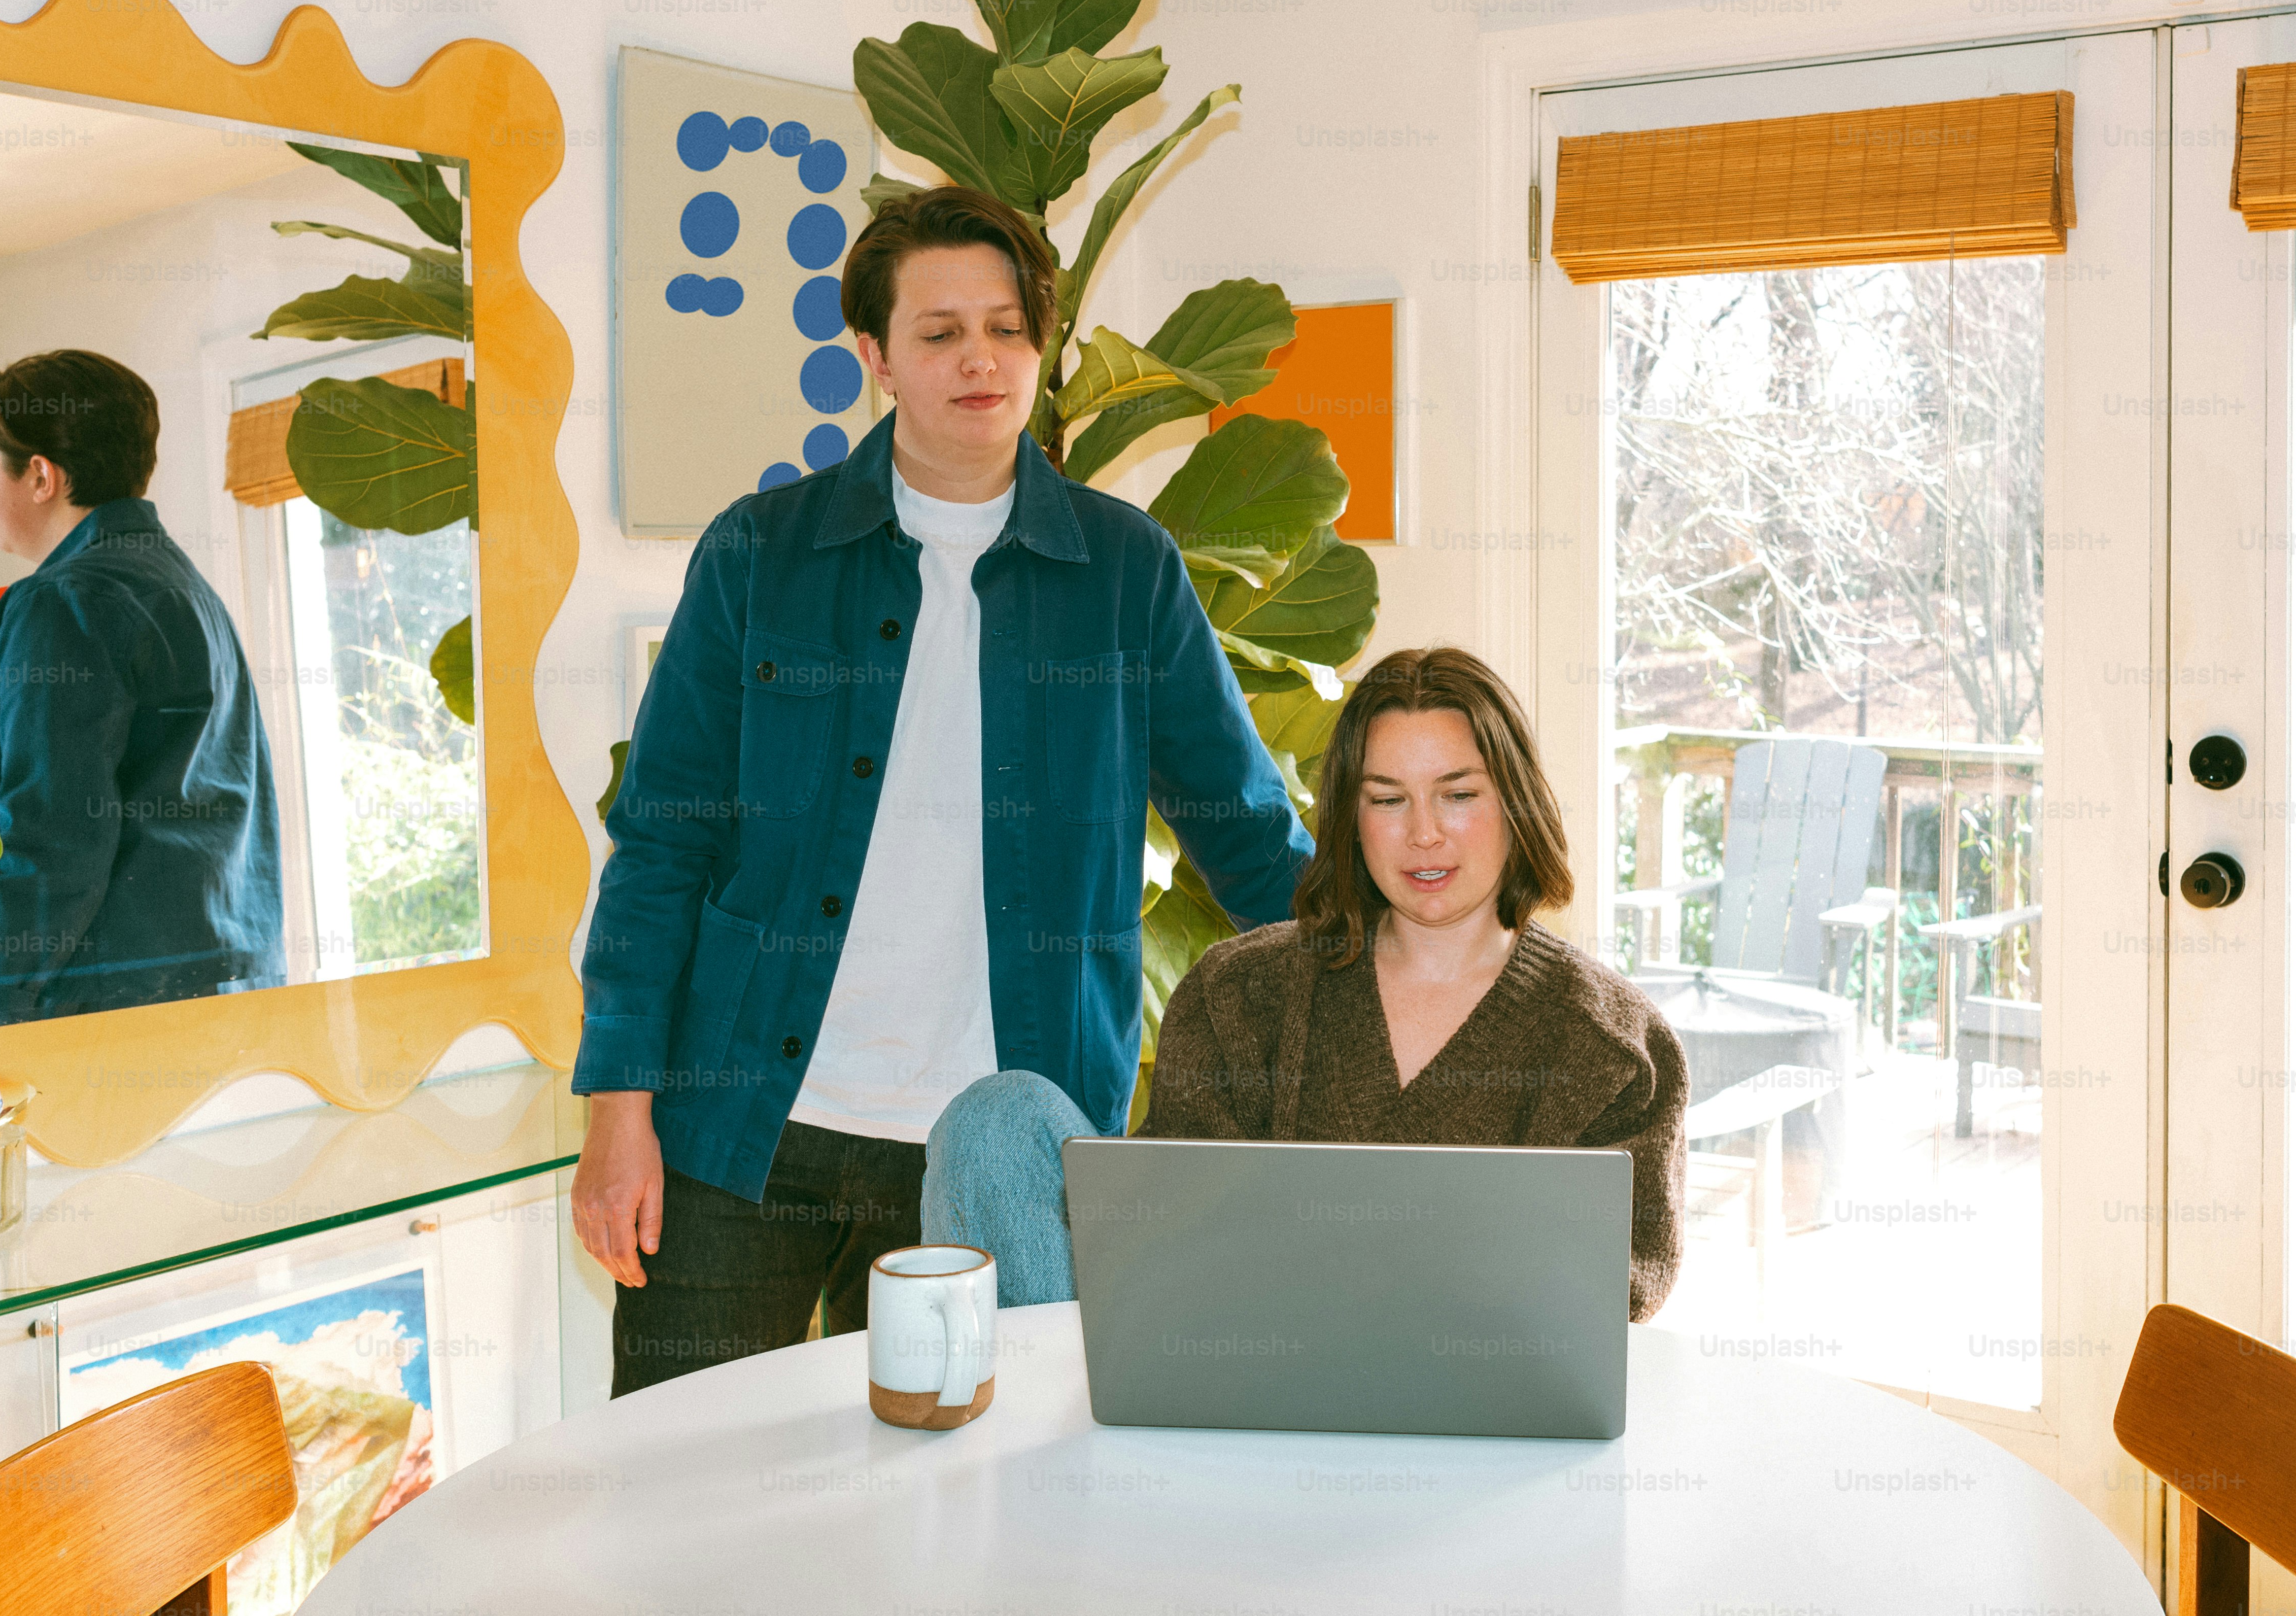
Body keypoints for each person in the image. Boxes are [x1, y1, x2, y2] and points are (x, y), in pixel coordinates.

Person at [572, 185, 1314, 1395]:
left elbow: (1246, 836)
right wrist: (618, 1106)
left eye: (1008, 328)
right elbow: (662, 841)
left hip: (997, 1161)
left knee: (969, 1527)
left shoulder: (1126, 572)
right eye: (939, 332)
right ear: (875, 357)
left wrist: (1414, 969)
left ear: (1042, 347)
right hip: (742, 1131)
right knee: (683, 1501)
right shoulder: (758, 553)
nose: (981, 358)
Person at [922, 646, 1690, 1321]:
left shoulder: (1616, 1045)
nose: (1424, 831)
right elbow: (1162, 1241)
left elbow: (1614, 1294)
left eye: (1458, 793)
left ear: (1516, 801)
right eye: (1387, 798)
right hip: (1236, 1384)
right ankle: (1068, 1453)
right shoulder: (1242, 991)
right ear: (1351, 820)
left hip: (1473, 1429)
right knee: (998, 1118)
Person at [0, 350, 284, 1024]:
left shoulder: (60, 602)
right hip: (231, 992)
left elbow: (49, 840)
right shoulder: (189, 590)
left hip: (108, 1011)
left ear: (40, 475)